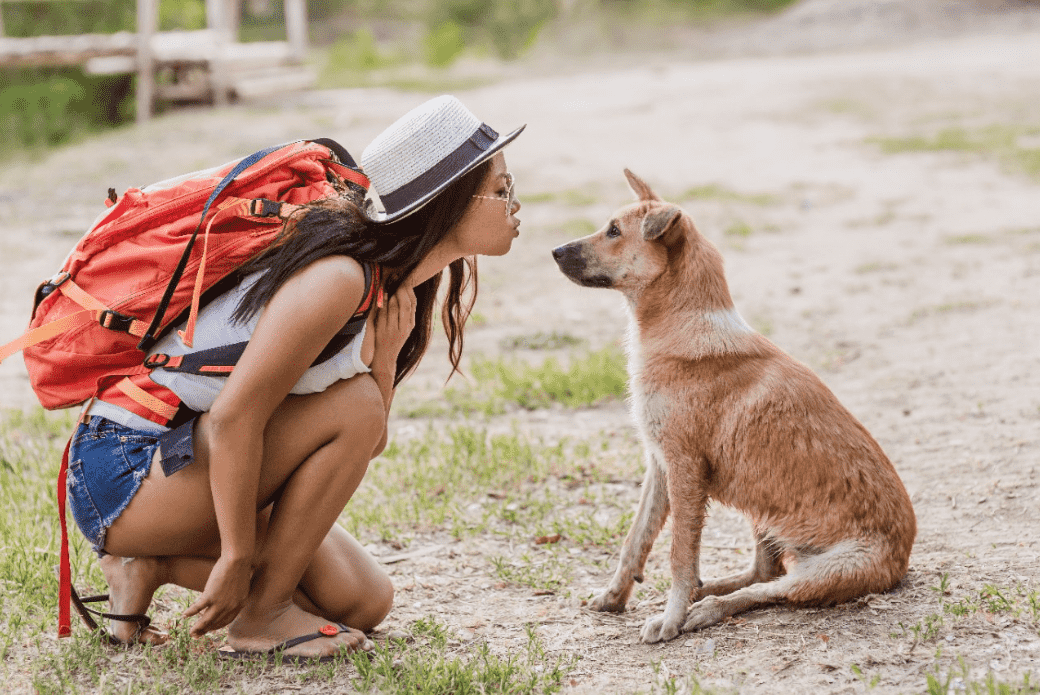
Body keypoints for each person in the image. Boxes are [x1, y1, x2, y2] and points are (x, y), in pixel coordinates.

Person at [64, 95, 524, 661]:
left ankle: (149, 564)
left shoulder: (388, 289)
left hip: (193, 459)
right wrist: (235, 555)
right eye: (502, 190)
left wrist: (383, 365)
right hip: (123, 468)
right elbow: (237, 417)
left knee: (364, 602)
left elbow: (366, 440)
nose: (516, 203)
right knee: (353, 406)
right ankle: (260, 619)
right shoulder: (339, 276)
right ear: (446, 203)